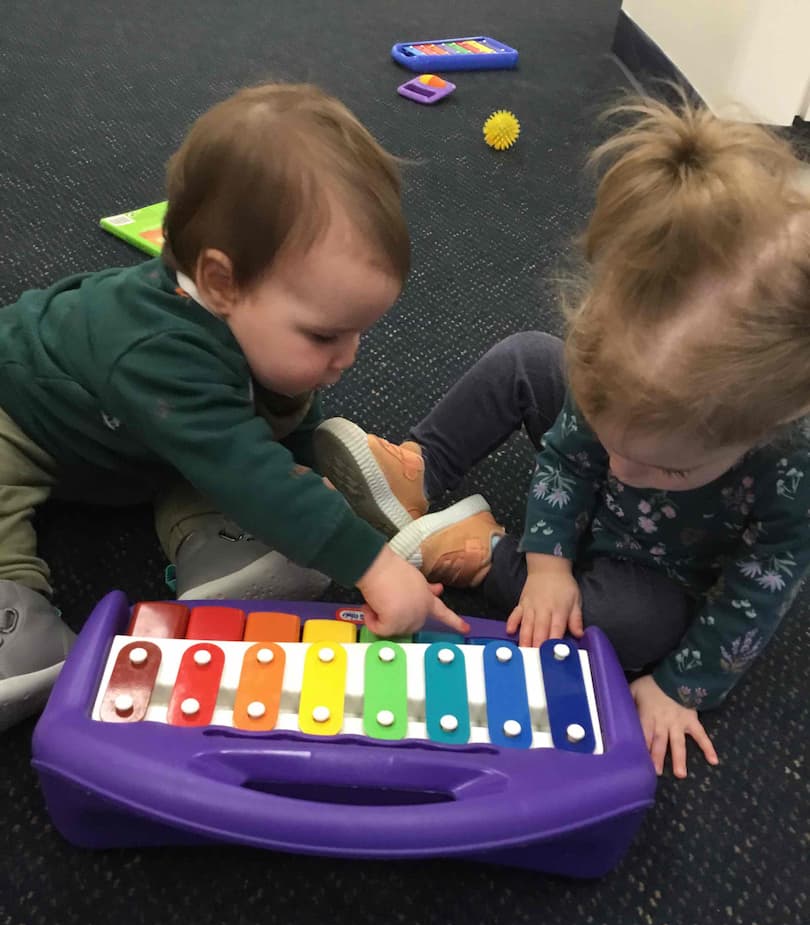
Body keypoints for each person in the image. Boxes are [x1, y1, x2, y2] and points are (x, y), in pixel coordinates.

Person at [313, 94, 810, 779]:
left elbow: (759, 591)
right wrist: (549, 562)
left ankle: (482, 551)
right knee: (527, 358)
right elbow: (571, 460)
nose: (622, 473)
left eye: (667, 470)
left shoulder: (788, 470)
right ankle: (420, 470)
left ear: (766, 429)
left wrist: (681, 688)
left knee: (640, 630)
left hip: (657, 565)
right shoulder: (619, 377)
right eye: (614, 442)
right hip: (620, 433)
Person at [0, 82, 467, 731]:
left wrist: (310, 477)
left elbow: (274, 428)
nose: (349, 357)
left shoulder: (256, 324)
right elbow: (249, 470)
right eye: (325, 335)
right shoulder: (157, 349)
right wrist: (372, 564)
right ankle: (12, 611)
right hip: (26, 414)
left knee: (230, 449)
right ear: (221, 282)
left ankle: (216, 542)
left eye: (359, 332)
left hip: (144, 440)